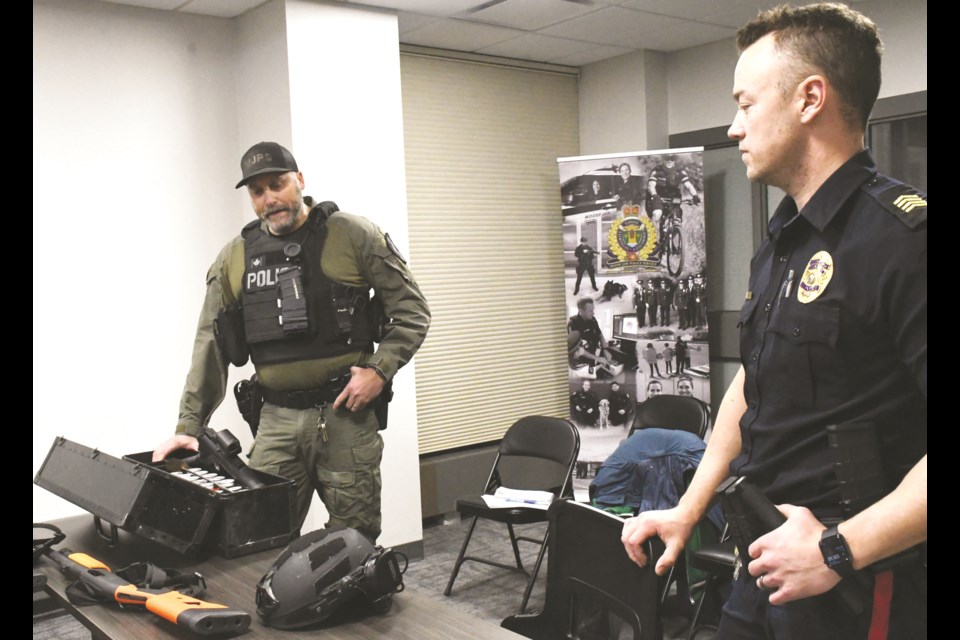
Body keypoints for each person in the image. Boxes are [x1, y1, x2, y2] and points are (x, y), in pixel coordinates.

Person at [621, 5, 926, 639]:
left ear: (810, 98)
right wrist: (687, 507)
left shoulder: (903, 241)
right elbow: (753, 386)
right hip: (762, 560)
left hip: (855, 579)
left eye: (746, 104)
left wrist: (839, 549)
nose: (733, 128)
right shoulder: (784, 238)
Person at [151, 141, 431, 544]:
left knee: (353, 538)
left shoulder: (352, 234)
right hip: (276, 420)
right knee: (255, 537)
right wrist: (189, 426)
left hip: (344, 416)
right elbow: (209, 344)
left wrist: (378, 370)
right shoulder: (235, 256)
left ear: (299, 180)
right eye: (257, 191)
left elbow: (412, 311)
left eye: (277, 184)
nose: (270, 199)